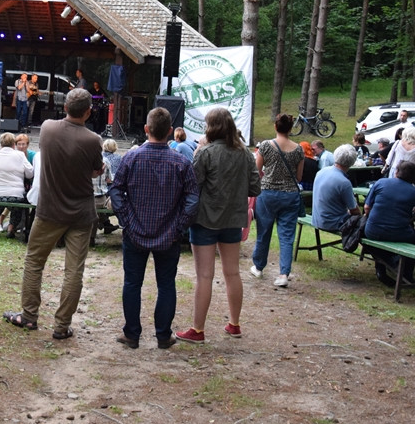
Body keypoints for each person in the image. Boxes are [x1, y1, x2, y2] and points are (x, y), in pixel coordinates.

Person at [3, 88, 103, 339]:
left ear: (65, 107)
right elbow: (94, 171)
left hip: (49, 211)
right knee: (74, 271)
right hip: (80, 214)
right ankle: (61, 326)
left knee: (35, 262)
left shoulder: (47, 128)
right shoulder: (93, 140)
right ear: (89, 112)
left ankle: (28, 316)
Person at [108, 107, 197, 349]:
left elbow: (115, 189)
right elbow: (192, 199)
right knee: (166, 284)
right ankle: (162, 335)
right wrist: (179, 226)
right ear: (170, 131)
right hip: (168, 235)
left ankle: (132, 334)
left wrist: (126, 219)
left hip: (136, 231)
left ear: (146, 129)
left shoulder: (132, 158)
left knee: (132, 283)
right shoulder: (181, 162)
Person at [174, 107, 259, 345]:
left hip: (205, 221)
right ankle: (234, 324)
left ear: (210, 127)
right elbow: (255, 188)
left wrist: (199, 152)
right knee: (233, 273)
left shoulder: (206, 152)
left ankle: (198, 329)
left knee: (204, 276)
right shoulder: (244, 154)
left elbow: (191, 186)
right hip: (232, 220)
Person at [250, 113, 303, 288]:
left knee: (263, 232)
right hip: (290, 195)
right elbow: (299, 177)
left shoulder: (265, 146)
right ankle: (283, 274)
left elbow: (257, 171)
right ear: (290, 129)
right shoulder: (298, 149)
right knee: (287, 236)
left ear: (275, 126)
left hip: (268, 193)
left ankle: (258, 266)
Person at [363, 160, 415, 285]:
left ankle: (382, 268)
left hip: (372, 230)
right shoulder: (414, 191)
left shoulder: (381, 182)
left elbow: (366, 207)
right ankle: (406, 274)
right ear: (414, 178)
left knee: (378, 240)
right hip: (400, 233)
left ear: (396, 172)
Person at [0, 132, 34, 236]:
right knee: (17, 203)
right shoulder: (19, 155)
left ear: (1, 144)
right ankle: (11, 229)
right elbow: (30, 173)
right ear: (13, 144)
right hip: (14, 194)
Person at [311, 145, 361, 233]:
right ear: (352, 162)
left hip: (317, 219)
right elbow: (354, 210)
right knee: (366, 224)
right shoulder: (344, 182)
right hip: (333, 223)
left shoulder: (321, 172)